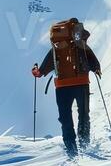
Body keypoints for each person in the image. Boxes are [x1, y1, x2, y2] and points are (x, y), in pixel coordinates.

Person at [32, 17, 102, 157]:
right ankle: (84, 143)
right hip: (82, 83)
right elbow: (94, 63)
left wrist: (36, 70)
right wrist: (96, 69)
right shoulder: (81, 45)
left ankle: (70, 147)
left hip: (62, 87)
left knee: (65, 117)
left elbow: (40, 72)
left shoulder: (55, 49)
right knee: (83, 114)